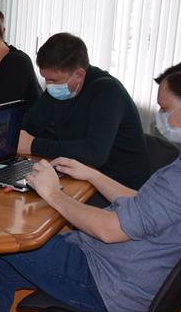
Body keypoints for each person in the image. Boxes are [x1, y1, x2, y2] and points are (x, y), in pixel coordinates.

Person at [0, 60, 181, 312]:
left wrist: (54, 193)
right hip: (128, 273)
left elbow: (109, 230)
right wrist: (93, 175)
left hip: (110, 282)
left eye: (165, 108)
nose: (160, 117)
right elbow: (146, 207)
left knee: (2, 247)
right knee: (4, 266)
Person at [18, 33, 151, 193]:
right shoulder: (59, 90)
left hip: (120, 188)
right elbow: (30, 124)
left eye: (53, 80)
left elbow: (95, 153)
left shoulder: (107, 91)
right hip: (81, 175)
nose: (49, 85)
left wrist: (33, 145)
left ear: (79, 75)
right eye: (46, 79)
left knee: (48, 202)